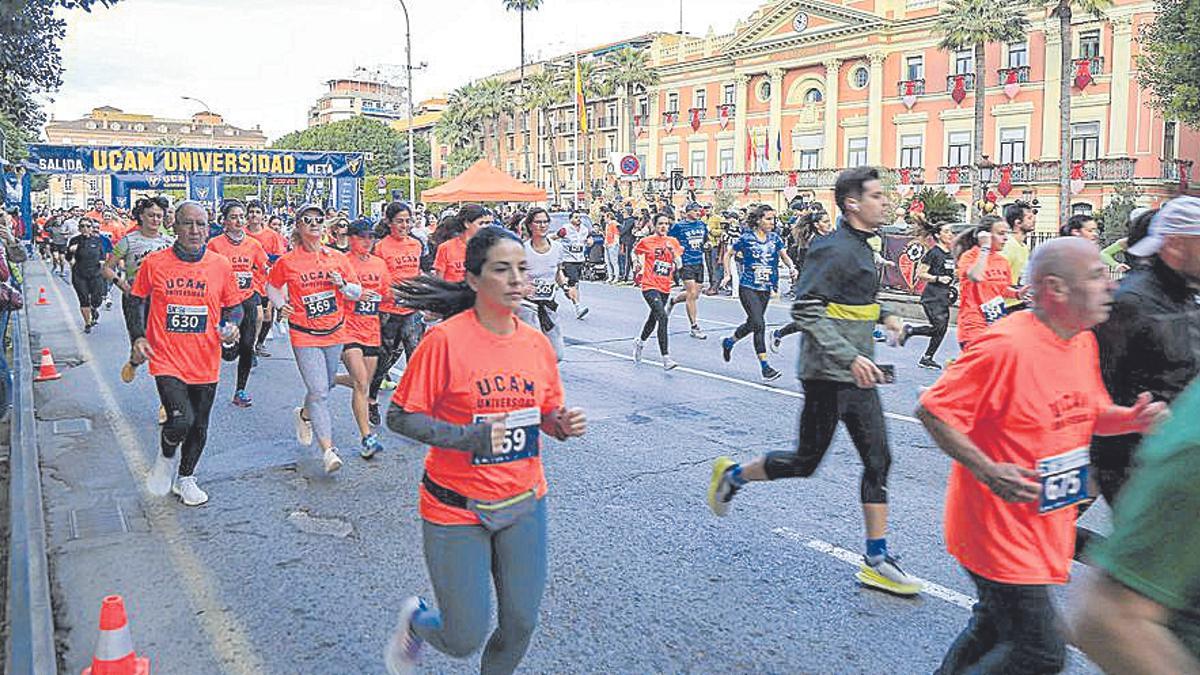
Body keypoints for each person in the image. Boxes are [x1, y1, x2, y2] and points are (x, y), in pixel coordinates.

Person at [916, 237, 1168, 674]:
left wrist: (1131, 419)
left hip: (1043, 523)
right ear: (1055, 289)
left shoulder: (1080, 341)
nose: (1110, 284)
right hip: (996, 529)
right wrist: (989, 470)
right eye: (1095, 275)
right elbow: (933, 410)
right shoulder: (1006, 346)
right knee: (1041, 652)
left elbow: (1086, 412)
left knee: (993, 628)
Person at [382, 227, 587, 675]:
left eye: (521, 270)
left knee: (520, 625)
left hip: (524, 502)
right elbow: (399, 417)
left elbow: (546, 416)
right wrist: (472, 437)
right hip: (456, 507)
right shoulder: (444, 342)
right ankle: (417, 622)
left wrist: (562, 424)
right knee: (462, 637)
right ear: (474, 280)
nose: (516, 279)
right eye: (501, 270)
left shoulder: (536, 344)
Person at [707, 167, 920, 595]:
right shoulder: (832, 249)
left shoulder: (862, 247)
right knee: (806, 462)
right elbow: (806, 310)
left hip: (859, 374)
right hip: (826, 374)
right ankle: (734, 475)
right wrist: (849, 355)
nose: (886, 201)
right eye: (877, 196)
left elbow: (855, 303)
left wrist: (887, 315)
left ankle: (876, 558)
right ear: (852, 204)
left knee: (878, 460)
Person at [1071, 376, 1200, 674]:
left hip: (1139, 444)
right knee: (1036, 646)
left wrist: (1129, 419)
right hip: (1123, 460)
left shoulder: (1082, 344)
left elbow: (1090, 404)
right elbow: (1108, 619)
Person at [1090, 196, 1200, 506]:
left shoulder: (1186, 297)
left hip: (1180, 454)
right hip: (1138, 465)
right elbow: (1100, 387)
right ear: (1176, 245)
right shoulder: (1131, 303)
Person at [135, 201, 244, 506]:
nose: (195, 230)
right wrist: (138, 337)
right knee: (181, 419)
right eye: (187, 223)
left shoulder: (220, 265)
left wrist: (232, 326)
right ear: (175, 227)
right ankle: (166, 456)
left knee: (199, 424)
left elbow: (234, 307)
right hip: (166, 357)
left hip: (205, 359)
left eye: (201, 224)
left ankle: (186, 478)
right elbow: (135, 300)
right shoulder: (154, 263)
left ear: (209, 229)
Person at [267, 203, 362, 474]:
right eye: (307, 220)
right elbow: (271, 286)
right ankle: (328, 451)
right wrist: (280, 303)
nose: (314, 223)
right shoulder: (287, 261)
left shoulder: (337, 258)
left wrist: (341, 286)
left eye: (318, 219)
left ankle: (304, 414)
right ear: (298, 226)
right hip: (304, 334)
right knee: (319, 391)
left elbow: (356, 292)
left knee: (326, 385)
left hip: (335, 331)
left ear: (325, 225)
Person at [719, 204, 797, 381]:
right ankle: (765, 367)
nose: (772, 222)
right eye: (768, 219)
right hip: (748, 287)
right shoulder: (746, 238)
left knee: (752, 323)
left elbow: (784, 256)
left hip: (765, 288)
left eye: (773, 219)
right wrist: (727, 274)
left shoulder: (775, 239)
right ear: (758, 220)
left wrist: (792, 267)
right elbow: (728, 254)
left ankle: (729, 341)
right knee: (759, 324)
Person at [335, 219, 391, 458]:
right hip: (347, 329)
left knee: (365, 383)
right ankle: (367, 437)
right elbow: (335, 293)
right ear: (351, 238)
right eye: (362, 237)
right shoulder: (342, 262)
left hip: (371, 328)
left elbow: (387, 294)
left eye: (371, 237)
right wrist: (353, 293)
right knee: (360, 382)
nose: (368, 241)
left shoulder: (379, 264)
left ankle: (333, 379)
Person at [207, 200, 270, 408]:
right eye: (233, 217)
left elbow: (263, 266)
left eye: (241, 216)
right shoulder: (215, 244)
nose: (239, 220)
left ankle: (240, 390)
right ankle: (226, 345)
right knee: (228, 353)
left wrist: (272, 274)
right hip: (225, 301)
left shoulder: (253, 244)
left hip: (247, 298)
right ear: (224, 221)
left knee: (246, 346)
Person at [104, 196, 174, 383]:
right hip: (135, 297)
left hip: (162, 297)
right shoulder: (128, 241)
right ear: (141, 216)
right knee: (141, 344)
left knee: (163, 346)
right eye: (151, 215)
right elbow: (107, 268)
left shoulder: (169, 242)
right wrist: (123, 284)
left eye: (159, 216)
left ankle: (168, 398)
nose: (156, 220)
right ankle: (134, 362)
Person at [369, 202, 426, 425]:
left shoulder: (417, 244)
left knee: (416, 358)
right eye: (400, 221)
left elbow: (419, 272)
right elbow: (375, 278)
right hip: (388, 312)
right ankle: (371, 399)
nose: (404, 225)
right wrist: (391, 291)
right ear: (390, 222)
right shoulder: (381, 247)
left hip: (411, 309)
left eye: (408, 221)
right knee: (384, 360)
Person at [770, 208, 833, 351]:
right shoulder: (814, 241)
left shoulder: (826, 239)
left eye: (829, 221)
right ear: (816, 225)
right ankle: (780, 333)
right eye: (825, 222)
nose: (829, 224)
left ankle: (780, 333)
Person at [955, 216, 1018, 349]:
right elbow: (976, 276)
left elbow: (1002, 289)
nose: (1006, 238)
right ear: (985, 235)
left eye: (1007, 233)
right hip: (973, 325)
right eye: (1001, 234)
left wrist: (1018, 294)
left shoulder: (1002, 261)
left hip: (995, 323)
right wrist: (984, 248)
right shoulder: (969, 256)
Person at [901, 220, 956, 369]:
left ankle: (927, 357)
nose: (950, 234)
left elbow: (949, 274)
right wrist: (938, 278)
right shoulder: (933, 253)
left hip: (943, 296)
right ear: (938, 235)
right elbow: (920, 273)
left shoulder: (949, 254)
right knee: (938, 328)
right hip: (932, 297)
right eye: (946, 231)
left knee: (942, 329)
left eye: (951, 231)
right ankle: (910, 330)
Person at [632, 213, 683, 370]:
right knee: (662, 317)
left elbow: (679, 265)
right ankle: (666, 358)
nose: (663, 227)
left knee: (653, 319)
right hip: (649, 285)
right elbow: (634, 251)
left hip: (665, 286)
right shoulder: (647, 241)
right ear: (654, 225)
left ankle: (640, 342)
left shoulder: (673, 242)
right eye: (660, 223)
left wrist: (672, 253)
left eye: (666, 224)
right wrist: (636, 262)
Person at [519, 208, 567, 361]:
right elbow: (511, 276)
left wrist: (566, 287)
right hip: (526, 306)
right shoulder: (522, 249)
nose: (543, 225)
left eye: (545, 222)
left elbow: (558, 272)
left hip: (548, 305)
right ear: (530, 225)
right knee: (534, 351)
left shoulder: (558, 248)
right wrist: (521, 288)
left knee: (557, 355)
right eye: (538, 222)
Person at [245, 201, 288, 357]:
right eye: (251, 212)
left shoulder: (272, 236)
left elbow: (279, 258)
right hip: (246, 282)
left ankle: (259, 343)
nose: (254, 215)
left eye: (257, 212)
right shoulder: (241, 233)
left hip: (266, 280)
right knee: (253, 315)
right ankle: (246, 344)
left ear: (263, 215)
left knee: (267, 315)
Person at [666, 202, 709, 339]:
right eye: (696, 211)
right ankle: (694, 327)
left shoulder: (702, 225)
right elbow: (669, 240)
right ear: (688, 212)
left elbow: (705, 240)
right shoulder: (679, 226)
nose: (698, 213)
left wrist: (707, 244)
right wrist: (674, 255)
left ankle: (673, 300)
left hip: (699, 261)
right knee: (691, 294)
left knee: (695, 294)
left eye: (699, 211)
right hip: (686, 262)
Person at [66, 217, 113, 333]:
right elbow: (68, 258)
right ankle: (87, 323)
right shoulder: (74, 240)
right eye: (82, 226)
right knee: (83, 299)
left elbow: (103, 258)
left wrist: (105, 269)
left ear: (92, 228)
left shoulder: (98, 241)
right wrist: (71, 252)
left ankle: (94, 308)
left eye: (88, 226)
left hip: (96, 274)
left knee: (97, 299)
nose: (85, 228)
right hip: (79, 274)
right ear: (79, 228)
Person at [433, 204, 492, 283]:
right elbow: (439, 281)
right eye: (481, 223)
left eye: (487, 223)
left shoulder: (489, 247)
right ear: (467, 223)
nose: (485, 227)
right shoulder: (446, 248)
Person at [552, 211, 591, 319]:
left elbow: (589, 238)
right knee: (574, 283)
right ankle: (578, 308)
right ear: (570, 219)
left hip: (579, 260)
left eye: (579, 217)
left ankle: (558, 286)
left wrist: (589, 241)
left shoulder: (584, 229)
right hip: (567, 260)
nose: (578, 219)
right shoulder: (565, 229)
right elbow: (554, 237)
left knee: (571, 285)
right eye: (576, 217)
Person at [1000, 201, 1036, 299]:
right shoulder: (1007, 245)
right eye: (1029, 218)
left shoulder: (1024, 247)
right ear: (1017, 222)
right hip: (1006, 304)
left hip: (1018, 300)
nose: (1034, 220)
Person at [602, 211, 620, 283]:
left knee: (614, 262)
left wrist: (614, 244)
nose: (604, 219)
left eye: (605, 217)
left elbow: (616, 235)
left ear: (609, 217)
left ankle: (616, 277)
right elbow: (607, 235)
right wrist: (605, 243)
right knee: (607, 261)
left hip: (613, 245)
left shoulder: (614, 224)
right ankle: (610, 276)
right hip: (607, 245)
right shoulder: (607, 225)